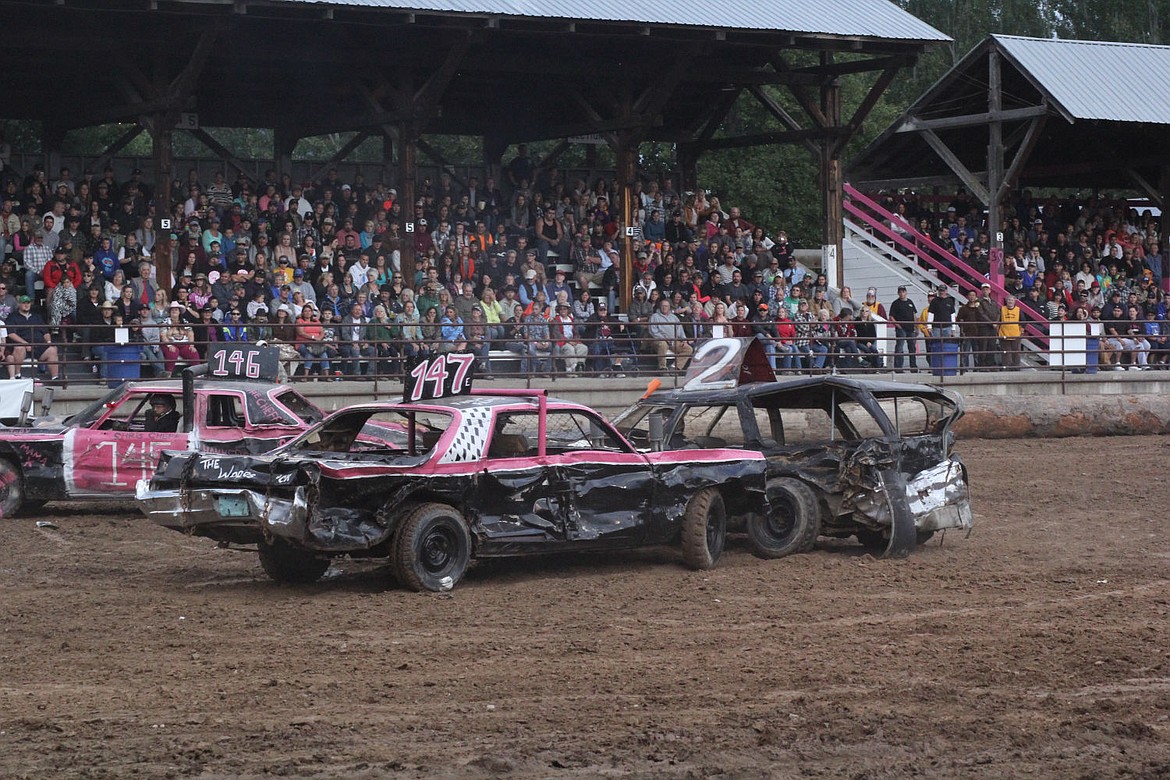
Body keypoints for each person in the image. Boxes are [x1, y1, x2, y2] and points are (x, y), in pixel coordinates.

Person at [6, 295, 62, 381]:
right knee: (19, 348)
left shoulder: (37, 316)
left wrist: (49, 341)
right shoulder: (13, 316)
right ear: (19, 304)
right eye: (24, 303)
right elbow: (11, 334)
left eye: (28, 303)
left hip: (38, 345)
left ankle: (55, 377)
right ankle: (17, 375)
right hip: (23, 346)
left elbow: (45, 332)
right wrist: (25, 343)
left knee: (52, 350)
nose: (26, 305)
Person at [648, 298, 693, 370]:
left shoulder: (674, 317)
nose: (664, 307)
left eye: (666, 306)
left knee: (688, 349)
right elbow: (653, 332)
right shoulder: (654, 317)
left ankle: (675, 367)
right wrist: (665, 338)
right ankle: (662, 368)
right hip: (659, 340)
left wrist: (684, 340)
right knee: (662, 345)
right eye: (663, 306)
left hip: (673, 341)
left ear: (669, 307)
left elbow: (680, 330)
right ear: (660, 306)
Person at [889, 285, 918, 371]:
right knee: (899, 347)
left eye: (903, 291)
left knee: (912, 347)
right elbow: (891, 316)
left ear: (906, 292)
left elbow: (914, 315)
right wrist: (898, 326)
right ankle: (898, 368)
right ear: (898, 293)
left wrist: (917, 327)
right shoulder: (895, 303)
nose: (902, 293)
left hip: (911, 328)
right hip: (901, 328)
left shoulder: (910, 302)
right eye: (900, 292)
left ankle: (913, 367)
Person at [998, 294, 1022, 370]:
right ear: (1006, 301)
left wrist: (1022, 328)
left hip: (1015, 334)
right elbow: (998, 320)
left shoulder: (1018, 309)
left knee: (1016, 352)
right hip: (1004, 333)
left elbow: (1023, 320)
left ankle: (1016, 367)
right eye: (1008, 300)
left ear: (1014, 301)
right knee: (1005, 352)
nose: (1010, 301)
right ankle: (1006, 367)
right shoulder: (1001, 309)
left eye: (1012, 300)